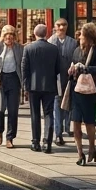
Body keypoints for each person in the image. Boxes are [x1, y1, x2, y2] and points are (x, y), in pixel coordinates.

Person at [21, 23, 61, 153]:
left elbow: (24, 69)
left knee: (35, 114)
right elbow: (59, 68)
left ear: (34, 34)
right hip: (49, 86)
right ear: (47, 34)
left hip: (33, 86)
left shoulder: (28, 48)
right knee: (49, 114)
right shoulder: (54, 49)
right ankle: (47, 143)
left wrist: (25, 86)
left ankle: (35, 142)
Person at [68, 23, 96, 166]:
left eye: (82, 34)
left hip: (90, 91)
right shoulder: (76, 50)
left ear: (88, 36)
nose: (79, 36)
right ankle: (79, 153)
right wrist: (71, 71)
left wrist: (85, 68)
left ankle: (91, 147)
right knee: (75, 122)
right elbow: (72, 68)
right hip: (76, 90)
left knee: (89, 122)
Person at [0, 25, 24, 148]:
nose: (9, 37)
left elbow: (22, 65)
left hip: (14, 79)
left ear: (14, 37)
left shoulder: (19, 48)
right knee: (0, 108)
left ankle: (10, 138)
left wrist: (24, 83)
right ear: (3, 36)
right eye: (6, 35)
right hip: (0, 79)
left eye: (11, 35)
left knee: (13, 110)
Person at [48, 18, 76, 145]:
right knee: (57, 104)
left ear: (67, 26)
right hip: (56, 78)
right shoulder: (50, 41)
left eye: (64, 25)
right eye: (59, 25)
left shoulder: (73, 42)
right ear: (55, 26)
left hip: (69, 78)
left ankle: (67, 127)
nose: (61, 28)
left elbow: (75, 58)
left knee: (68, 103)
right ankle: (58, 134)